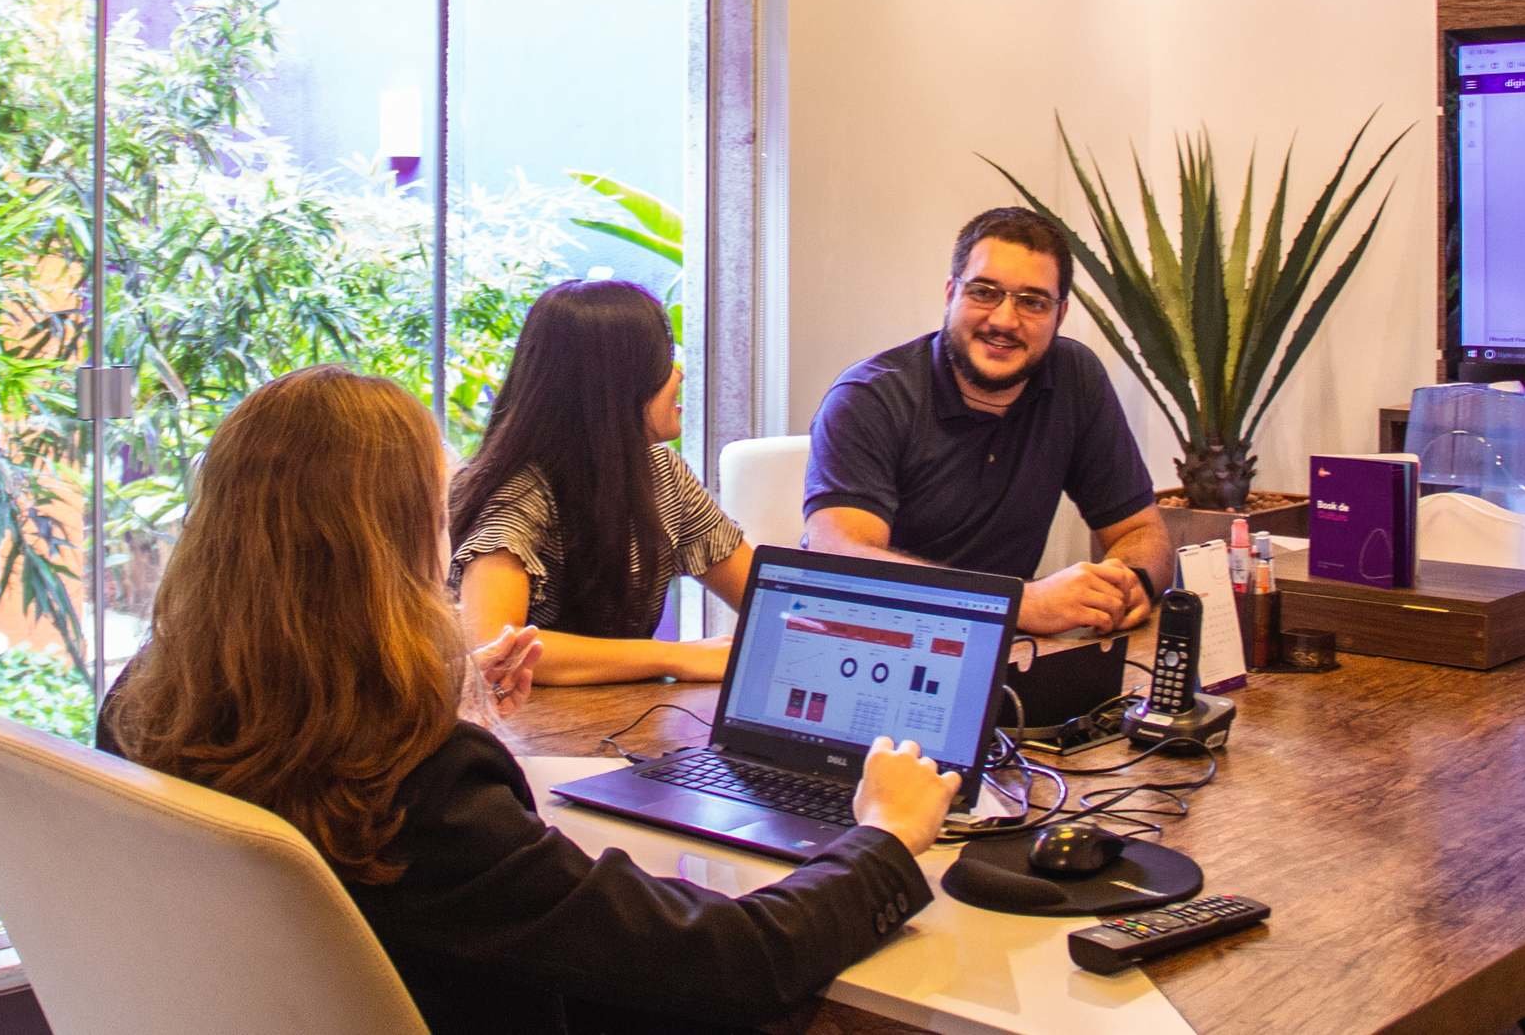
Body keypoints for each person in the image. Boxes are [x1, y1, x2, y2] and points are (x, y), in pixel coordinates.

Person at [99, 365, 959, 1034]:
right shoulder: (422, 786)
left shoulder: (146, 706)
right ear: (396, 545)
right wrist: (884, 837)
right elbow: (733, 962)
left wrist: (450, 696)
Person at [804, 207, 1171, 636]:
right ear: (950, 294)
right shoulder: (868, 398)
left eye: (1032, 302)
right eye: (983, 292)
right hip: (873, 644)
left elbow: (1142, 531)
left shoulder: (1076, 377)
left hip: (1006, 650)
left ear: (1060, 315)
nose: (1004, 321)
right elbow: (842, 560)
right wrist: (1019, 604)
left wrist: (1130, 582)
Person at [449, 280, 751, 685]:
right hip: (531, 722)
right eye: (663, 361)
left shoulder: (663, 473)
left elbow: (765, 599)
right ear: (616, 383)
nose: (678, 374)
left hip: (627, 715)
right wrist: (675, 656)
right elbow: (495, 647)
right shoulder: (521, 492)